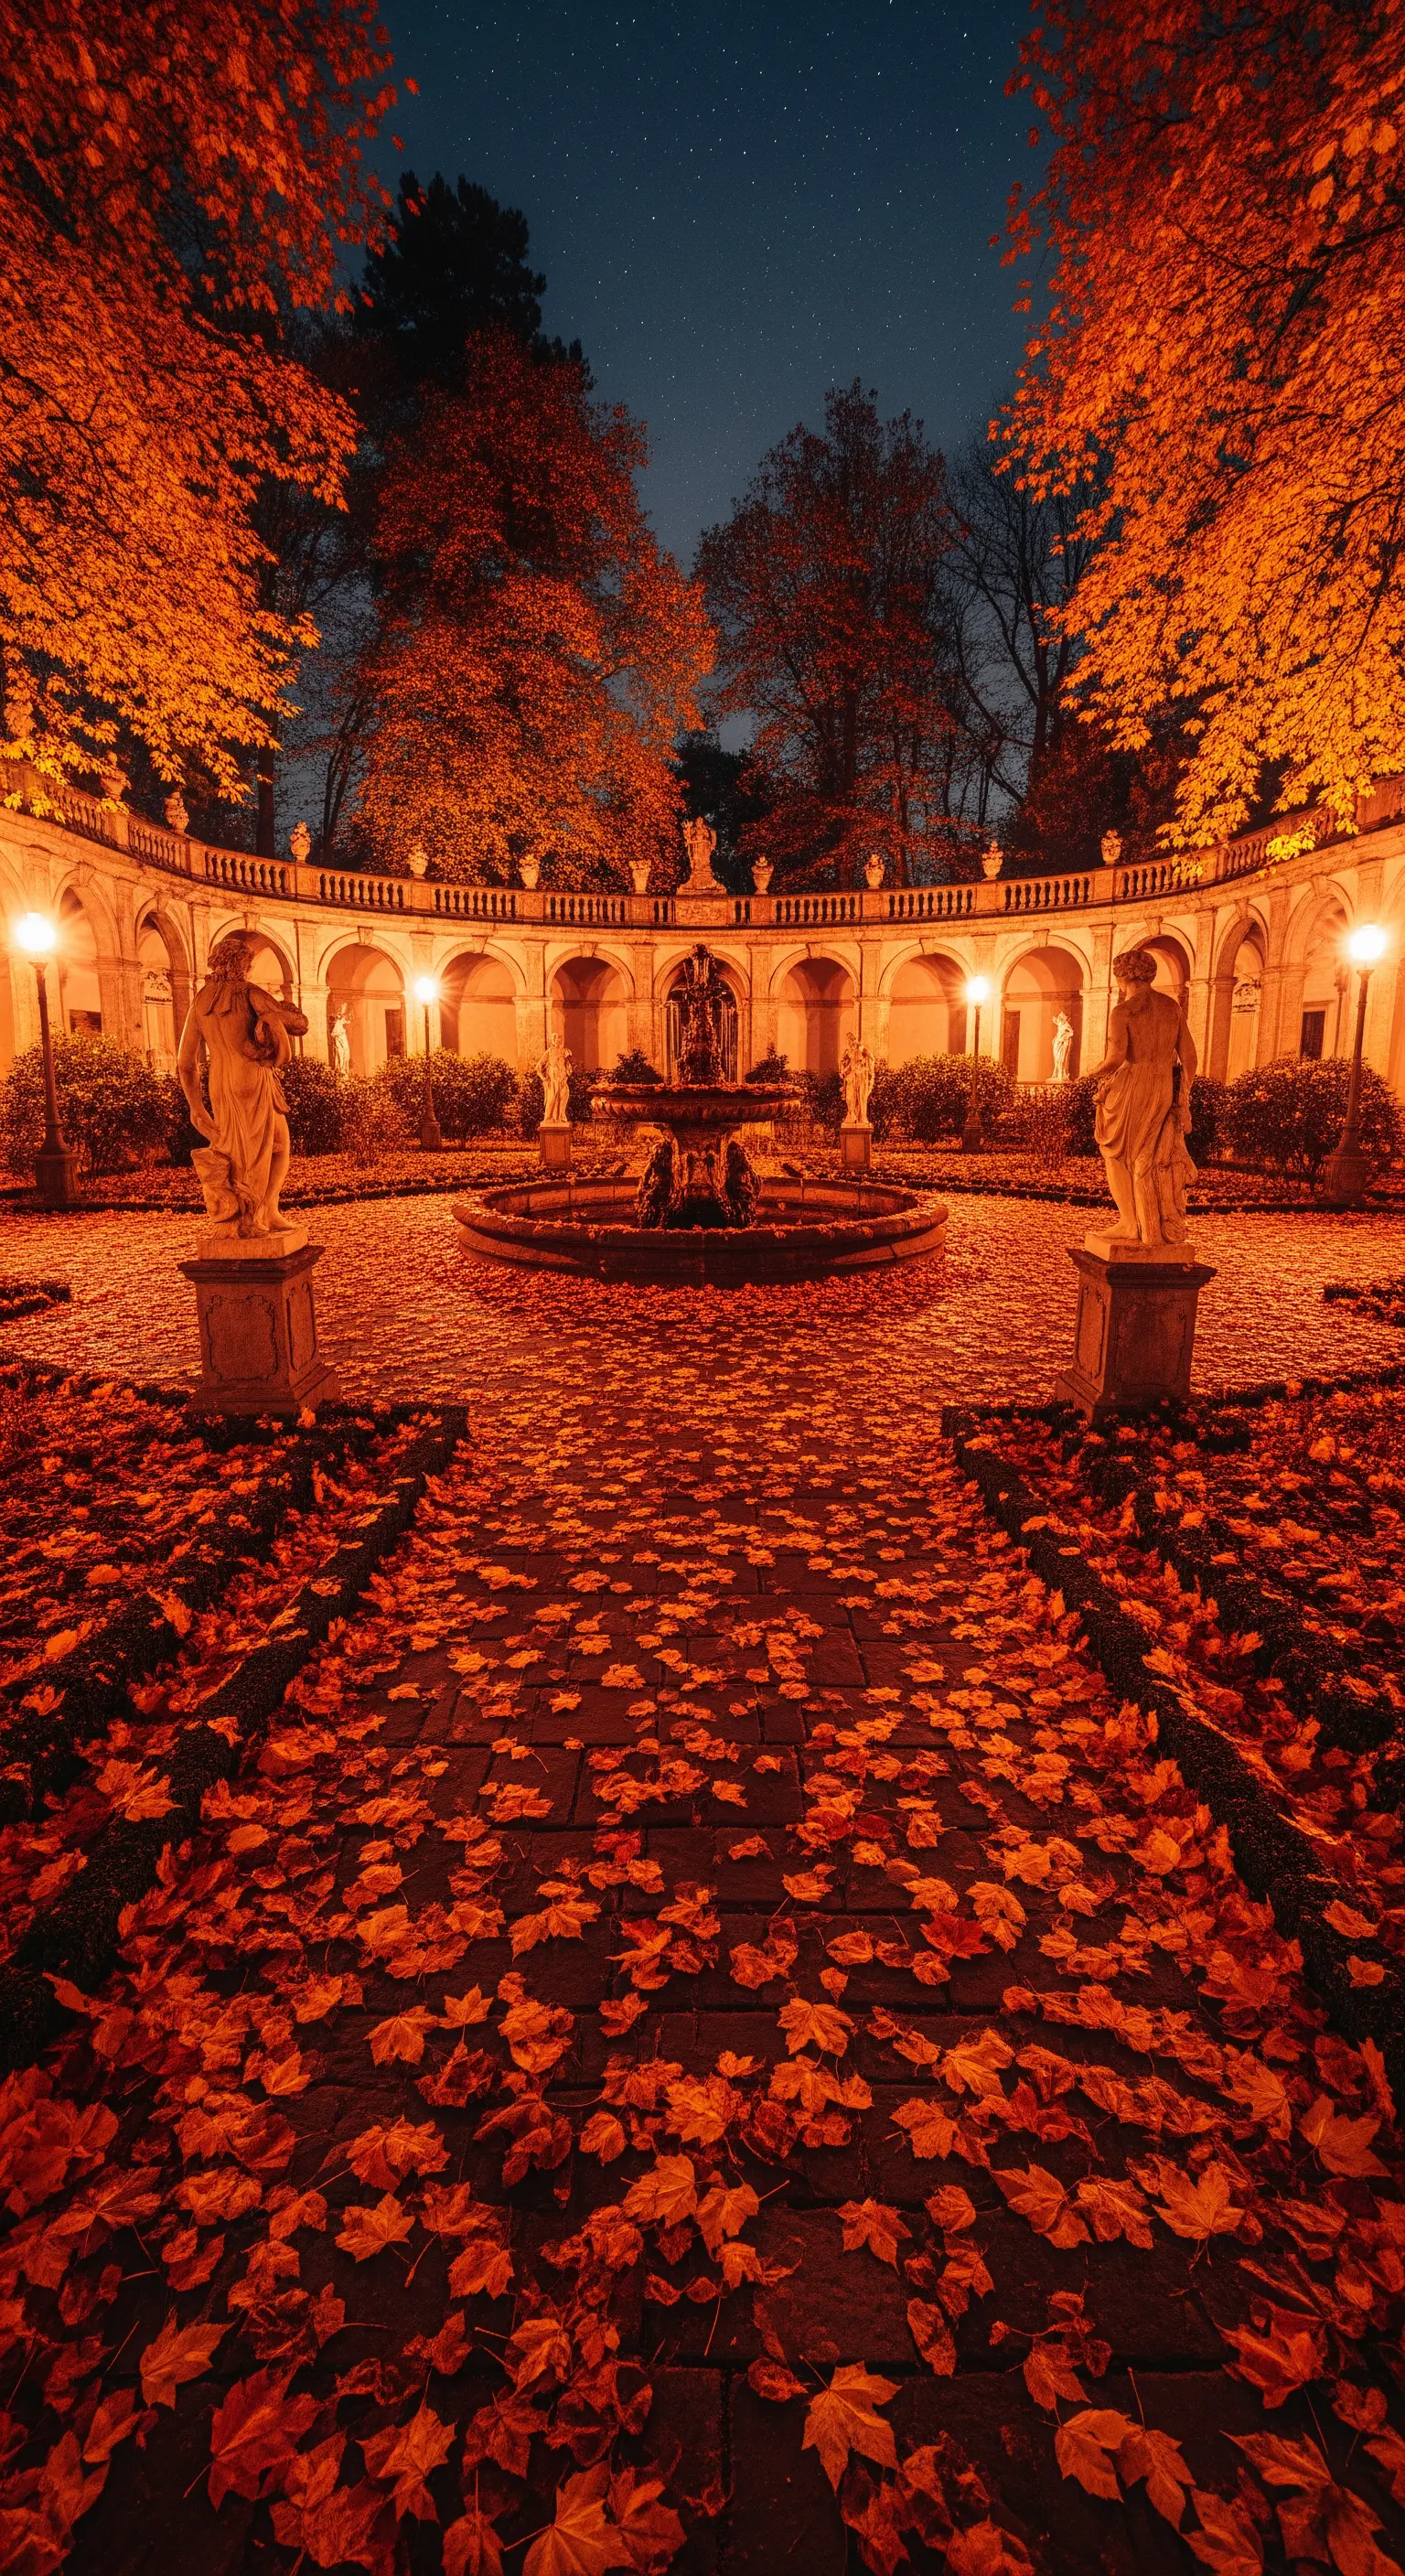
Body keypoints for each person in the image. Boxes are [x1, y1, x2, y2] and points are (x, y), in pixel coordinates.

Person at [177, 931, 308, 1238]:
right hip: (252, 1075)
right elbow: (298, 1026)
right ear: (242, 964)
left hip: (220, 1083)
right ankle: (259, 1214)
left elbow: (185, 1063)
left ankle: (247, 1215)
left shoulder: (200, 1002)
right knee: (271, 1149)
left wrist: (195, 1106)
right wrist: (282, 1015)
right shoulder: (248, 993)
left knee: (237, 1151)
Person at [1089, 947, 1196, 1244]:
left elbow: (1115, 1058)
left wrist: (1092, 1073)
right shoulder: (1171, 1007)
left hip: (1133, 1085)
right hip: (1163, 1085)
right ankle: (1152, 1225)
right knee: (1147, 1154)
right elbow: (1190, 1057)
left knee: (1116, 1153)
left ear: (1122, 976)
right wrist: (1182, 1096)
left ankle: (1130, 1223)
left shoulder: (1123, 1011)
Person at [1050, 1011, 1073, 1085]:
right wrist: (1056, 1038)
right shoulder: (1060, 1025)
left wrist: (1065, 1038)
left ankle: (1061, 1074)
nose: (1060, 1019)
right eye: (1059, 1018)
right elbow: (1055, 1021)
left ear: (1064, 1019)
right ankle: (1056, 1073)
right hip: (1057, 1042)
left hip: (1062, 1043)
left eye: (1061, 1018)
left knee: (1061, 1059)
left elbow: (1071, 1033)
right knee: (1056, 1059)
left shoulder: (1066, 1025)